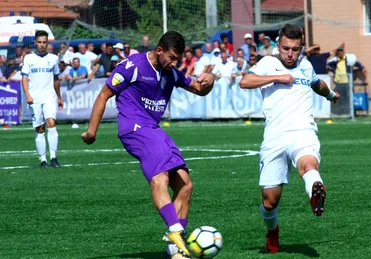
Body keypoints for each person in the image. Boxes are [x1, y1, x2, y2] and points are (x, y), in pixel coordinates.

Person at [80, 31, 215, 259]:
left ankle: (175, 250)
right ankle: (175, 233)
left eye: (178, 60)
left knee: (185, 185)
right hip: (134, 129)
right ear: (160, 50)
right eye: (172, 58)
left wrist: (210, 81)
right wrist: (92, 131)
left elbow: (199, 89)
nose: (174, 64)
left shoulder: (170, 72)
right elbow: (104, 94)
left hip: (153, 130)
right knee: (159, 178)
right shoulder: (132, 66)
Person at [239, 24, 339, 254]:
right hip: (274, 137)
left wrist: (331, 94)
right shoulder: (267, 63)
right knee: (269, 202)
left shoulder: (305, 66)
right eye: (286, 48)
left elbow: (318, 84)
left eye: (295, 49)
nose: (290, 54)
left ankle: (315, 190)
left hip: (303, 131)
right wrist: (279, 78)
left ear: (301, 47)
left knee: (308, 164)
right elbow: (245, 82)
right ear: (278, 46)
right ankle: (272, 230)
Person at [21, 30, 63, 168]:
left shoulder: (53, 58)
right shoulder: (28, 59)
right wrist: (27, 94)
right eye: (39, 42)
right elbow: (25, 78)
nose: (42, 45)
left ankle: (54, 158)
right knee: (39, 128)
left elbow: (56, 79)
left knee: (51, 122)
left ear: (47, 43)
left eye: (44, 42)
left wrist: (59, 97)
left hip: (49, 95)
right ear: (35, 43)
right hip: (34, 97)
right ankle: (43, 160)